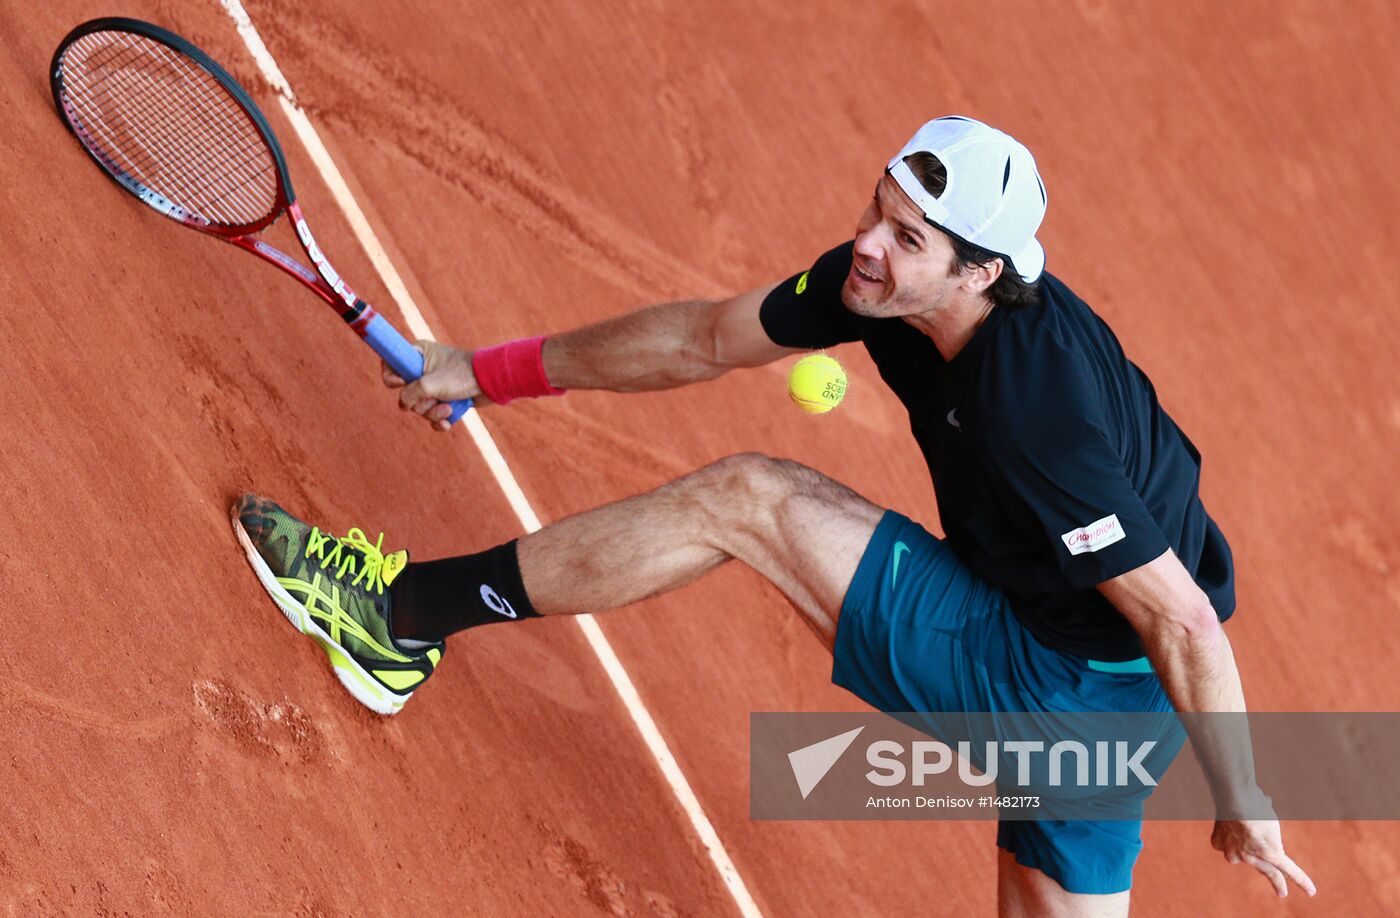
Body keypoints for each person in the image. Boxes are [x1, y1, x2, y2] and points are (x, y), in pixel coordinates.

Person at [232, 115, 1315, 915]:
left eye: (905, 239)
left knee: (746, 499)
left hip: (1074, 681)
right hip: (1105, 690)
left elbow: (1180, 622)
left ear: (979, 272)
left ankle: (397, 618)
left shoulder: (1035, 409)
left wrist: (1243, 794)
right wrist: (483, 369)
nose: (868, 246)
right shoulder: (885, 293)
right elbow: (704, 338)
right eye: (874, 210)